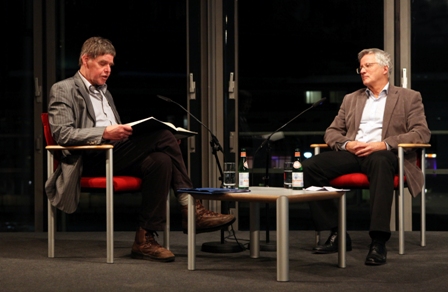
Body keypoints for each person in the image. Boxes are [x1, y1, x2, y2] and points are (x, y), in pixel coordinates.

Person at [45, 36, 235, 262]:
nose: (108, 70)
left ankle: (144, 239)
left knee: (161, 161)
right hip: (89, 157)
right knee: (163, 136)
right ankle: (191, 207)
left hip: (114, 152)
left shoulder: (105, 91)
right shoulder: (63, 89)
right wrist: (104, 133)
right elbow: (63, 135)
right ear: (86, 59)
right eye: (102, 64)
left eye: (110, 66)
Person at [302, 48, 431, 265]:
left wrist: (384, 144)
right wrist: (347, 143)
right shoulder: (351, 99)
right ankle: (338, 232)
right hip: (354, 153)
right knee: (310, 166)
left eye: (367, 65)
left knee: (380, 161)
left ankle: (378, 241)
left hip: (386, 154)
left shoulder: (409, 97)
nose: (362, 70)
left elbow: (421, 133)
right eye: (360, 67)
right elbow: (331, 132)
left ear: (384, 69)